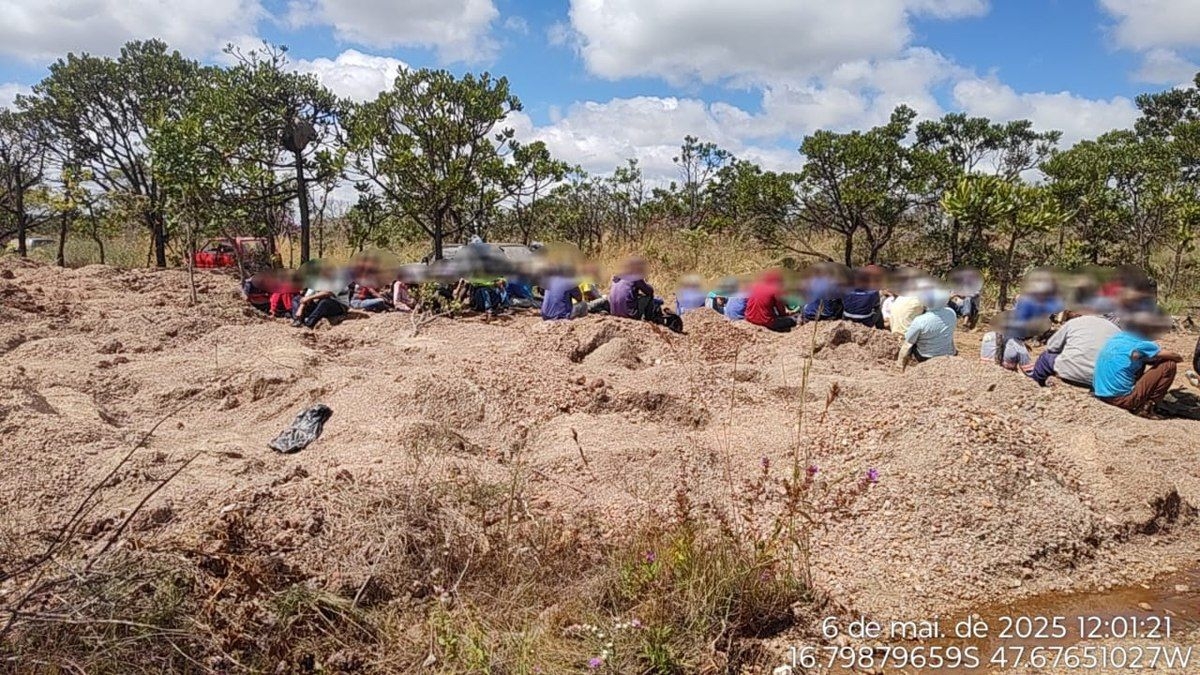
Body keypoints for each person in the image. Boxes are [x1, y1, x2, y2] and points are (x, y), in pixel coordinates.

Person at [1093, 312, 1182, 418]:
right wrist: (1180, 358)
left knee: (1140, 361)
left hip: (1101, 394)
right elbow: (1173, 356)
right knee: (1169, 364)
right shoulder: (1141, 342)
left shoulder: (1117, 337)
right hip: (1123, 400)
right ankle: (1148, 407)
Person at [1029, 310, 1120, 388]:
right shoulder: (1118, 332)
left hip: (1069, 374)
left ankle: (1036, 384)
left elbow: (1052, 347)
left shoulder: (1076, 322)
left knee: (1045, 357)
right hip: (1099, 381)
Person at [898, 288, 958, 368]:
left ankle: (901, 366)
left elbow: (909, 339)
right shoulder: (951, 313)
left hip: (925, 356)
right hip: (948, 354)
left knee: (909, 344)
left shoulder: (920, 320)